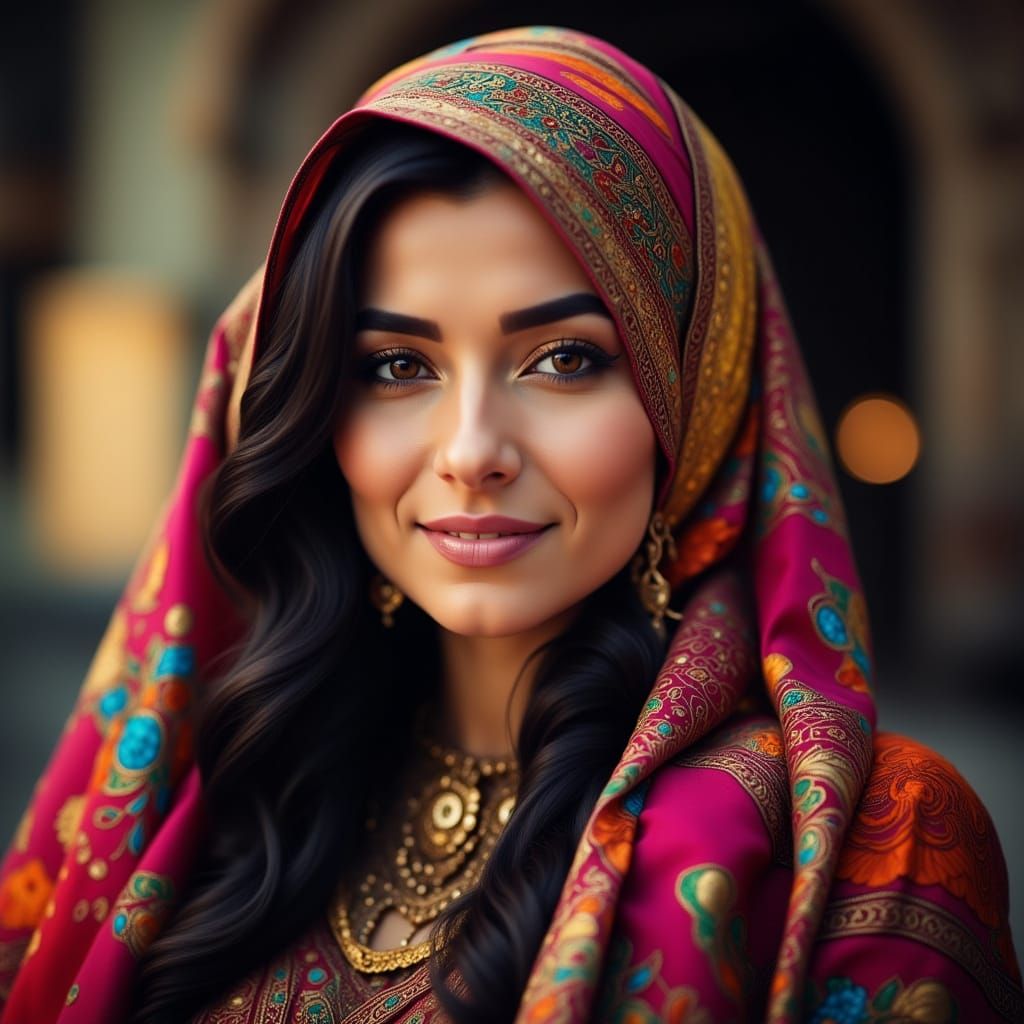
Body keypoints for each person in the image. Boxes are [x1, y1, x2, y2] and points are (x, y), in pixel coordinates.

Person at [0, 26, 1019, 1024]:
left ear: (693, 403)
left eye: (564, 358)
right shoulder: (221, 806)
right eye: (397, 366)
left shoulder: (864, 848)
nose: (471, 448)